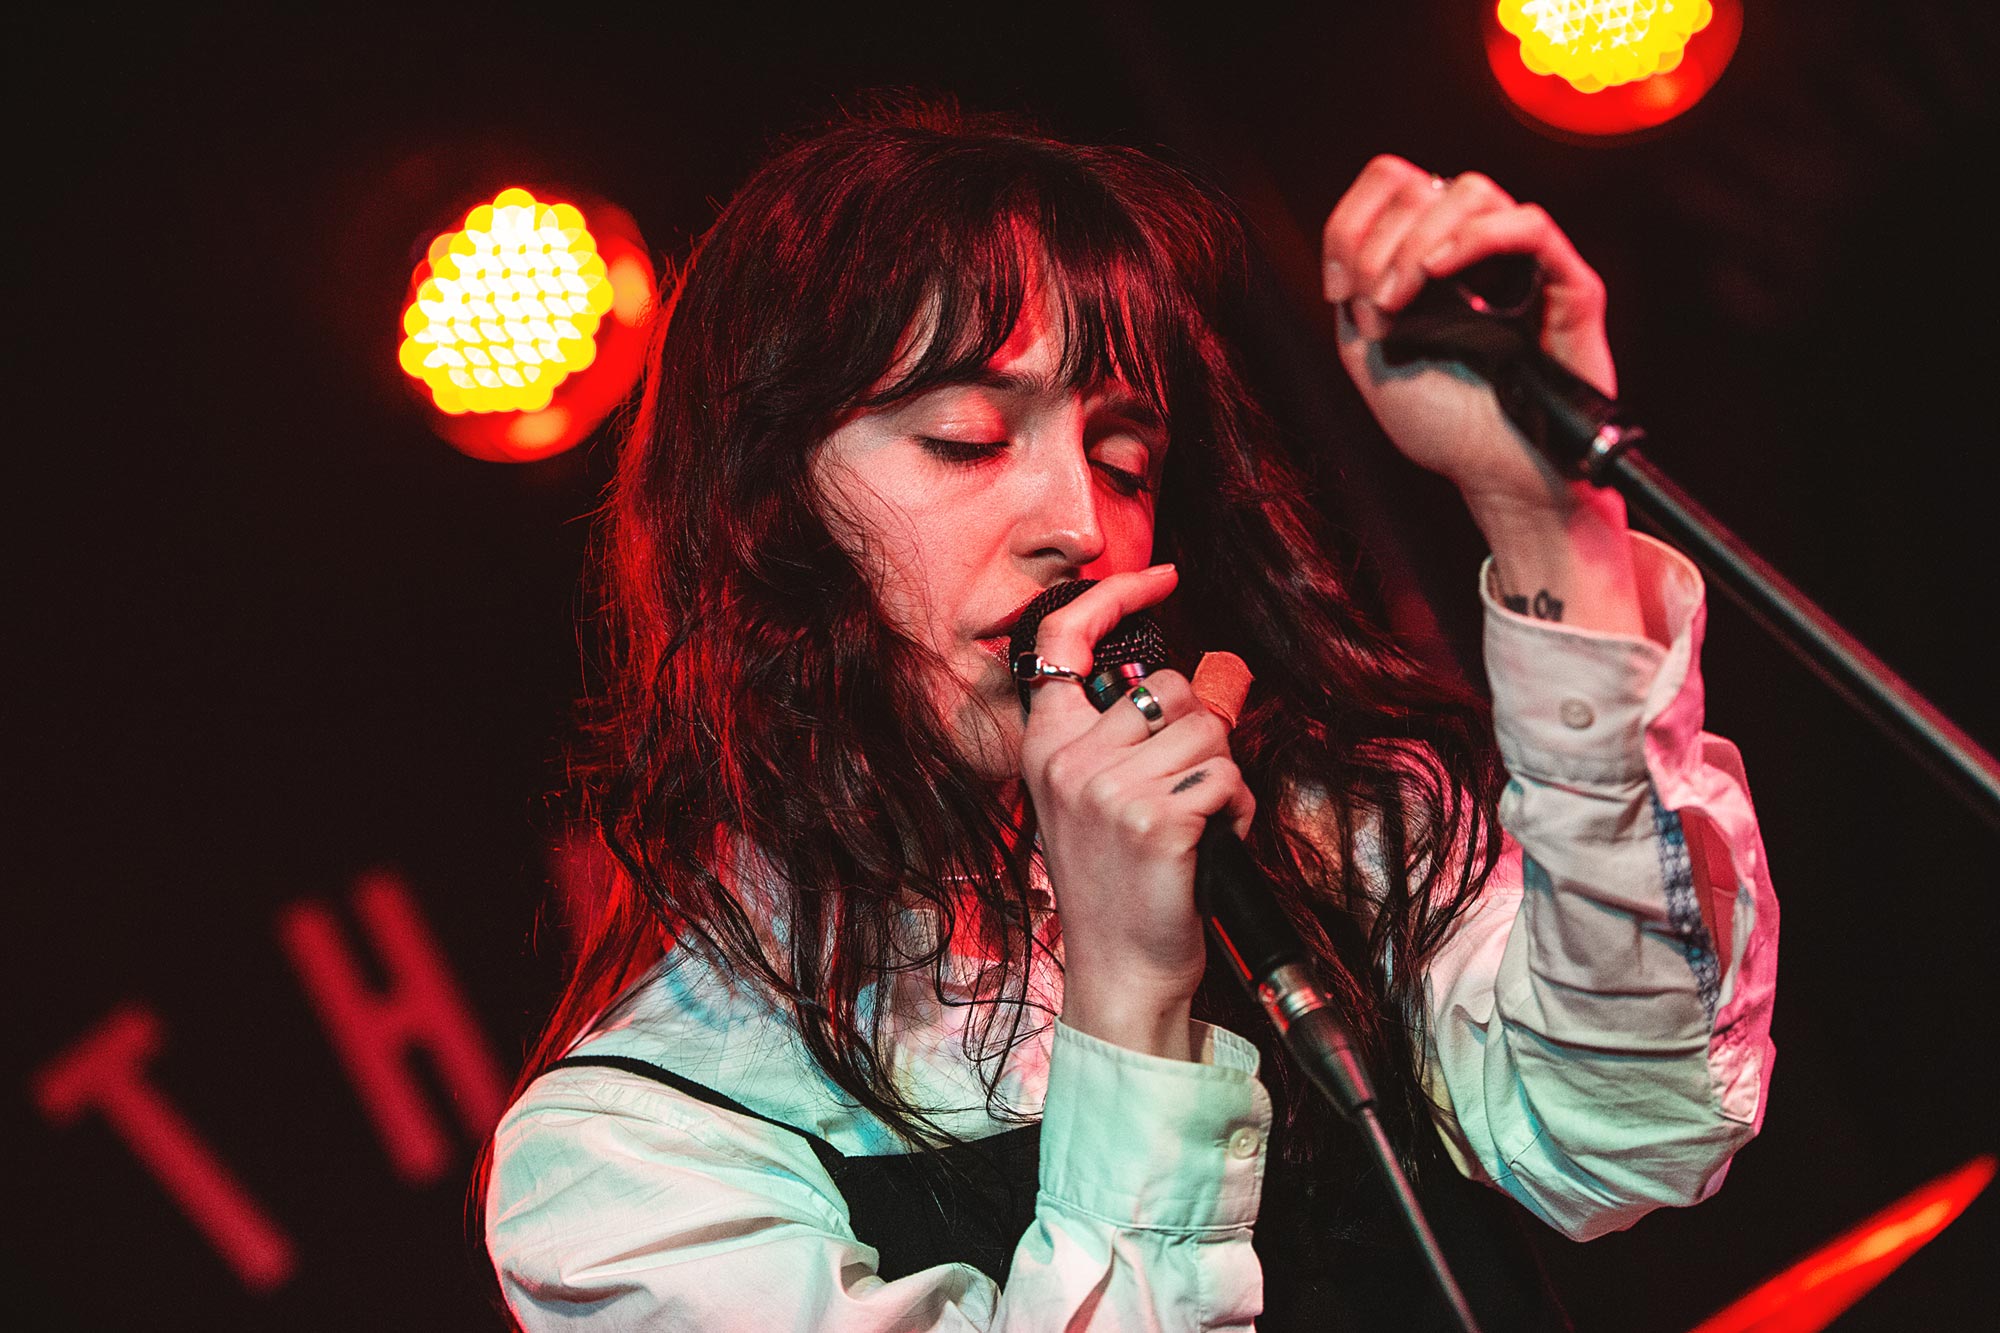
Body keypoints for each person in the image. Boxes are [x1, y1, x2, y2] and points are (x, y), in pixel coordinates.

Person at [481, 103, 1778, 1331]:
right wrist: (1127, 995)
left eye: (1123, 461)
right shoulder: (629, 1159)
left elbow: (1640, 1128)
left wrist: (1545, 516)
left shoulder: (1309, 827)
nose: (1080, 525)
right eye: (966, 438)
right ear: (762, 513)